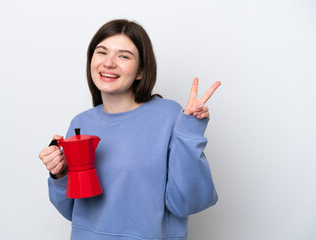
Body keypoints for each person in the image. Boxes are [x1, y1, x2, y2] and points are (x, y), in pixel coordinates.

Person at [39, 19, 221, 240]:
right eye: (102, 52)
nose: (109, 63)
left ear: (141, 71)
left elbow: (190, 201)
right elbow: (71, 210)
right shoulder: (81, 123)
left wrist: (190, 130)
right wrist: (59, 174)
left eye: (124, 56)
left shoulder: (170, 115)